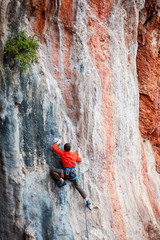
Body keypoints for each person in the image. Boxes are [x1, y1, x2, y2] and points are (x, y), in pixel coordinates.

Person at [51, 139, 92, 209]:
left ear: (64, 149)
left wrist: (58, 142)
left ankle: (61, 180)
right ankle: (87, 201)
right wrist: (78, 152)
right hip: (73, 175)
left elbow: (54, 148)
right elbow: (80, 160)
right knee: (77, 186)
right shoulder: (73, 155)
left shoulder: (62, 153)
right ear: (70, 149)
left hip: (64, 174)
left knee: (52, 171)